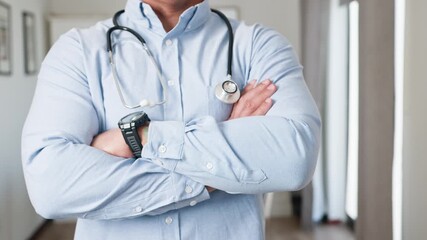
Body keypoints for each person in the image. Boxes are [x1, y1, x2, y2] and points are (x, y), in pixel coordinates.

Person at [21, 0, 321, 239]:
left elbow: (293, 159)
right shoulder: (78, 51)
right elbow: (51, 188)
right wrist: (215, 174)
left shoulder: (259, 45)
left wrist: (140, 138)